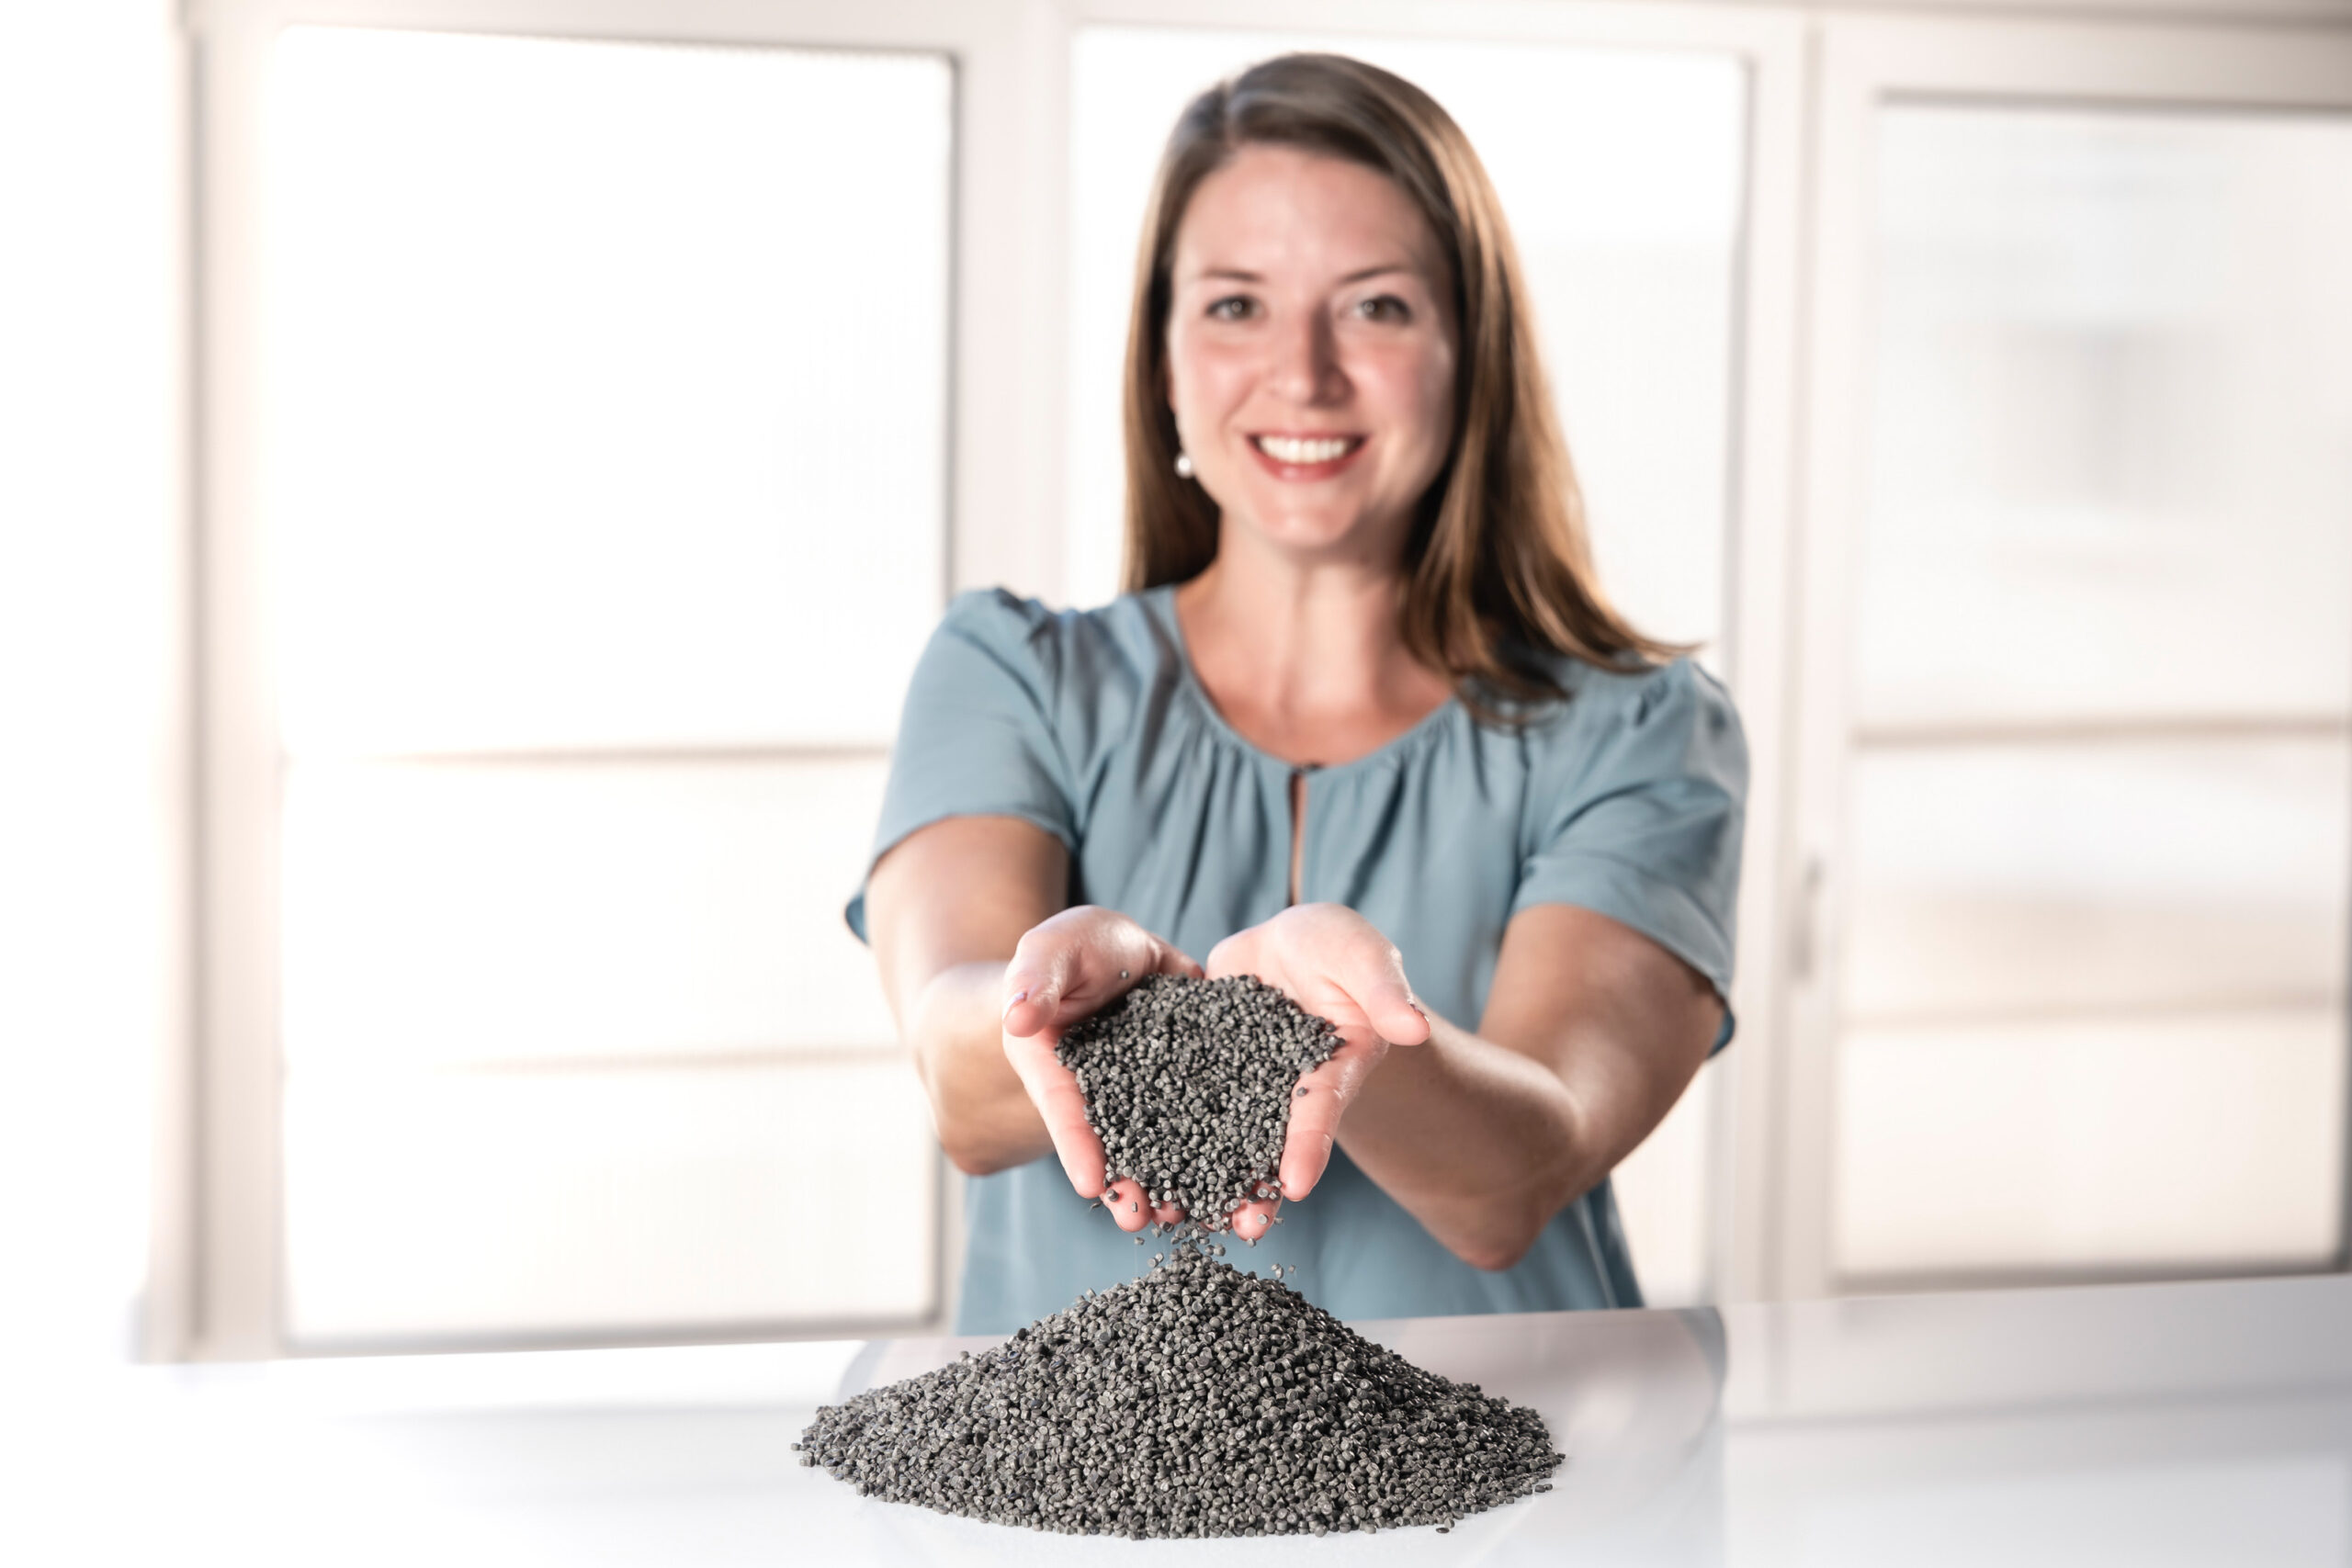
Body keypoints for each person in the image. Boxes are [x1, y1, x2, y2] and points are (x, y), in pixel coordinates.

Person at [847, 52, 1746, 1335]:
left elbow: (1522, 1173)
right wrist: (1077, 1001)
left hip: (1524, 1498)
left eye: (1375, 307)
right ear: (1163, 357)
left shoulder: (1643, 729)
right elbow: (958, 1077)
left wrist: (1347, 1032)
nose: (1305, 373)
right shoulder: (1011, 675)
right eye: (1234, 307)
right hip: (1090, 1504)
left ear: (1466, 354)